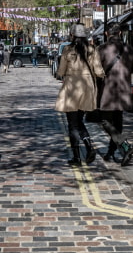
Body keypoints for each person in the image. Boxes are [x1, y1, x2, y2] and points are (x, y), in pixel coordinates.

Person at [55, 23, 105, 166]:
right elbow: (98, 70)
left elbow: (60, 71)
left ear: (72, 35)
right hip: (87, 87)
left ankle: (77, 156)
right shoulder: (92, 49)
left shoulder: (67, 50)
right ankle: (89, 146)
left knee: (72, 123)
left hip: (72, 87)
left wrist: (62, 74)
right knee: (79, 121)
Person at [98, 25, 133, 166]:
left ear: (106, 33)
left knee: (105, 122)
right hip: (124, 91)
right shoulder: (129, 49)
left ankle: (125, 146)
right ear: (120, 33)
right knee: (118, 122)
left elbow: (96, 71)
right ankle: (111, 152)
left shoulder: (102, 49)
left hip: (108, 91)